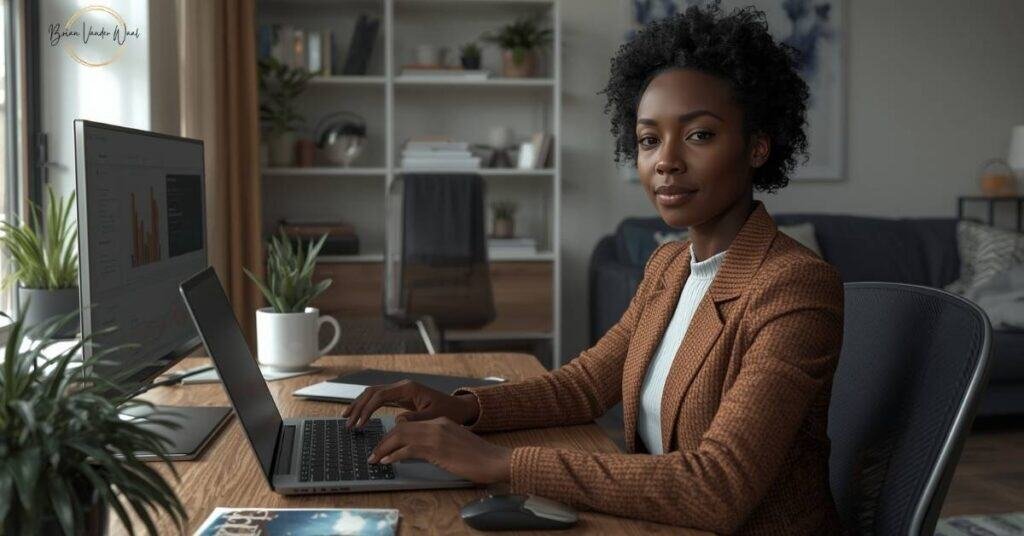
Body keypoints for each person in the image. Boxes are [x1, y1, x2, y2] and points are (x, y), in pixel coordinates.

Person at [345, 3, 844, 533]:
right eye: (649, 139)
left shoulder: (794, 286)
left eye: (699, 135)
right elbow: (583, 387)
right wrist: (464, 409)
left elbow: (717, 487)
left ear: (758, 146)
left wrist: (501, 464)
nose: (666, 161)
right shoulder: (670, 266)